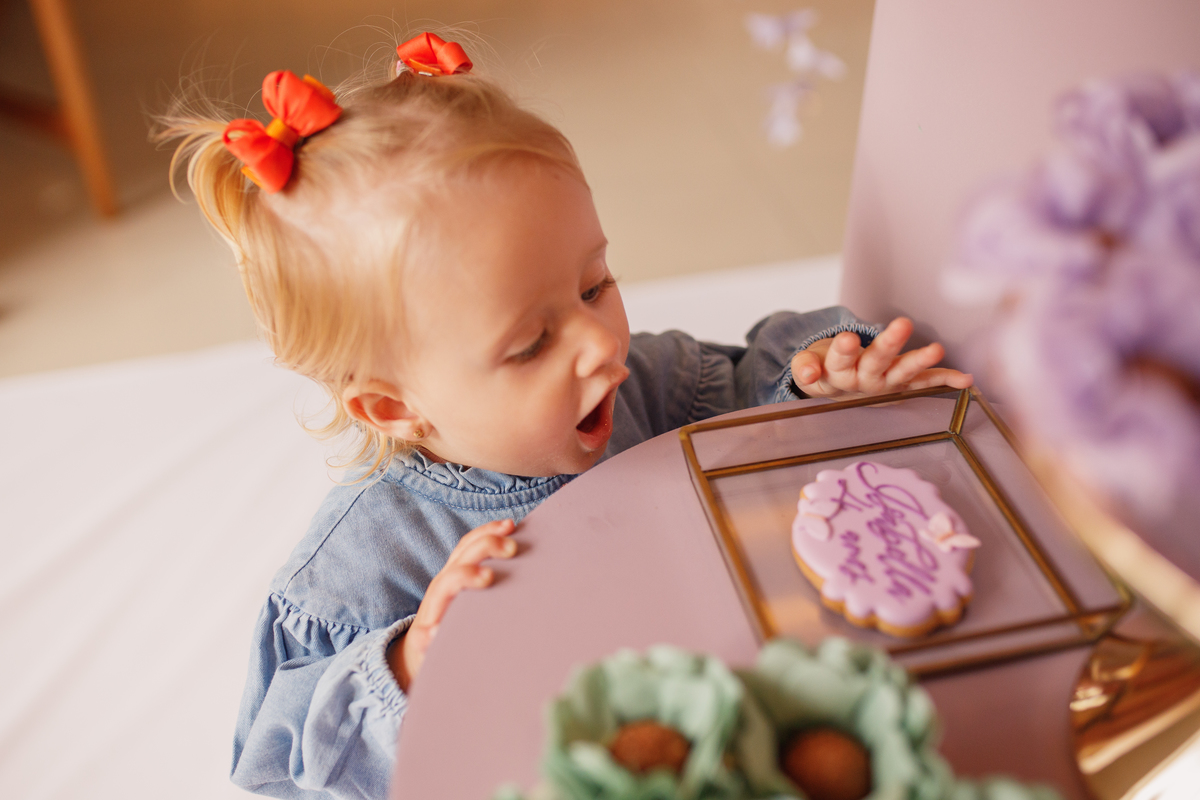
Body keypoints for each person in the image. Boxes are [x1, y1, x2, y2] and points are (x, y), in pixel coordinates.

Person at [160, 32, 971, 800]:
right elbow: (279, 763)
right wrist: (409, 663)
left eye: (594, 286)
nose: (600, 345)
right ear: (393, 406)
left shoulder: (651, 389)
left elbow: (751, 400)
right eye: (530, 344)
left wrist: (820, 383)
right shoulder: (359, 568)